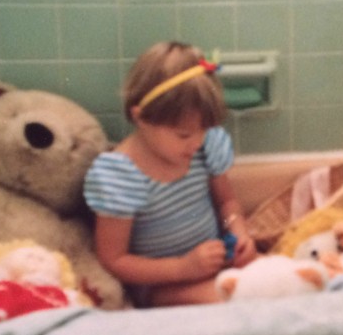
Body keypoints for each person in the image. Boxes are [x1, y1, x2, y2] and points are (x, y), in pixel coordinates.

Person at [83, 41, 256, 307]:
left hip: (214, 264)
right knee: (234, 301)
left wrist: (239, 231)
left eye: (203, 131)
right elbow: (113, 260)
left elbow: (226, 202)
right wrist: (182, 268)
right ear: (141, 117)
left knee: (279, 278)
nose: (196, 142)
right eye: (184, 134)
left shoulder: (204, 147)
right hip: (162, 285)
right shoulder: (121, 174)